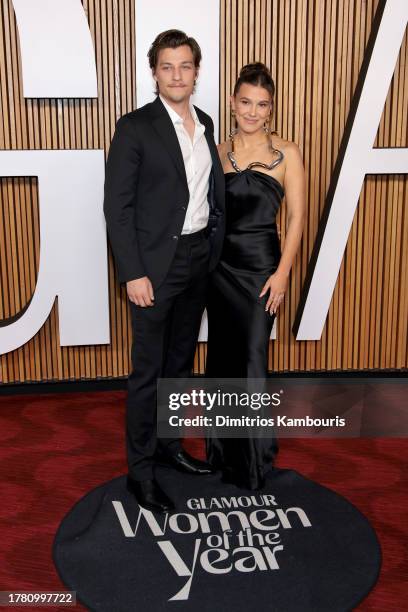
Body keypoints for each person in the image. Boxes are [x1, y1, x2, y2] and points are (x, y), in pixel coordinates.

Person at [104, 30, 225, 513]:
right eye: (167, 66)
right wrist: (133, 272)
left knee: (179, 367)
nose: (177, 74)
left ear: (197, 72)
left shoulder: (207, 123)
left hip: (199, 260)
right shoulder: (135, 127)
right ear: (153, 73)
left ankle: (169, 447)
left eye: (186, 66)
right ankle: (140, 472)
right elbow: (119, 207)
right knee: (148, 374)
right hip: (154, 269)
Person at [206, 63, 305, 490]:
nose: (252, 111)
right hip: (220, 269)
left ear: (271, 108)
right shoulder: (217, 152)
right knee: (222, 360)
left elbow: (298, 217)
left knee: (250, 359)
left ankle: (252, 462)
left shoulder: (288, 153)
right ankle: (222, 455)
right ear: (232, 103)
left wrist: (283, 273)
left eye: (261, 104)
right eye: (245, 101)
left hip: (263, 268)